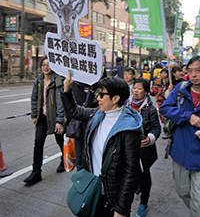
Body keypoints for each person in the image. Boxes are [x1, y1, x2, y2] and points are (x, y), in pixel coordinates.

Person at [61, 74, 143, 217]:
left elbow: (131, 172)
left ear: (116, 98)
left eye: (102, 95)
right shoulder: (97, 115)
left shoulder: (128, 128)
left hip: (112, 198)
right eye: (97, 94)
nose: (97, 98)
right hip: (92, 189)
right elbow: (74, 111)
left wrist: (121, 210)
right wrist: (67, 88)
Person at [160, 56, 200, 217]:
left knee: (198, 199)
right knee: (182, 190)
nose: (194, 75)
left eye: (198, 70)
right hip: (181, 152)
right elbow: (165, 108)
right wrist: (187, 116)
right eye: (190, 71)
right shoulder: (181, 89)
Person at [24, 56, 65, 186]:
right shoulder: (38, 81)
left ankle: (64, 160)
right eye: (43, 64)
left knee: (60, 141)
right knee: (38, 143)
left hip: (55, 117)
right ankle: (36, 172)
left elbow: (60, 102)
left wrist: (59, 121)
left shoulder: (58, 81)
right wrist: (34, 115)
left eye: (48, 64)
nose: (45, 67)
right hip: (42, 117)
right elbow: (34, 99)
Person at [125, 78, 161, 217]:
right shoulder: (125, 104)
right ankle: (137, 184)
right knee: (130, 172)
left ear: (146, 92)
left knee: (144, 175)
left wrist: (150, 138)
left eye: (139, 88)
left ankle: (143, 203)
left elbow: (157, 128)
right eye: (134, 88)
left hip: (144, 151)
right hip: (128, 149)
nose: (136, 91)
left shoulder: (150, 109)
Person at [67, 81, 98, 171]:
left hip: (94, 125)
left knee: (93, 156)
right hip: (79, 127)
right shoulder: (74, 85)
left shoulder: (99, 86)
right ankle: (80, 181)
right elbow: (70, 107)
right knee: (79, 156)